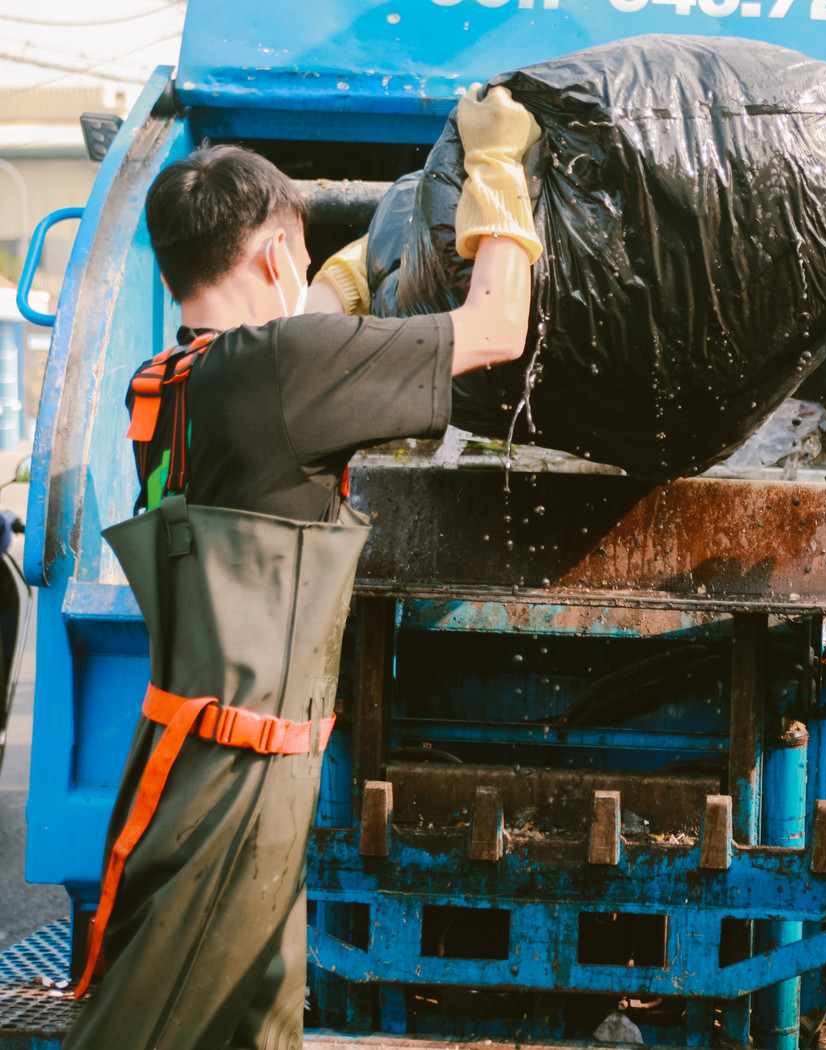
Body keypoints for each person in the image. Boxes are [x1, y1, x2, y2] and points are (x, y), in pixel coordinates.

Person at [61, 82, 541, 1050]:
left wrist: (347, 294)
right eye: (301, 253)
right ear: (280, 250)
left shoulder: (173, 377)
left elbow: (291, 351)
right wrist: (496, 171)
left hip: (210, 752)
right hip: (236, 783)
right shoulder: (280, 369)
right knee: (148, 1028)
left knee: (252, 1026)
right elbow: (497, 330)